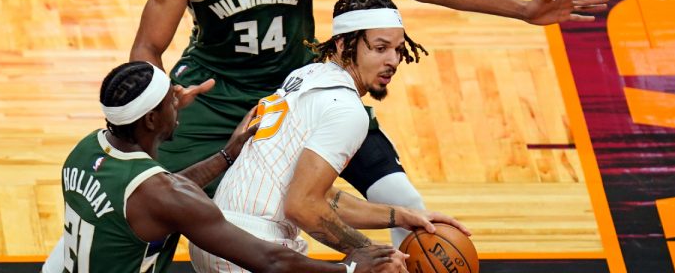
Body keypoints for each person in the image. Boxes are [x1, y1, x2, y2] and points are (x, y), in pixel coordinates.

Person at [129, 0, 611, 247]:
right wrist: (156, 96)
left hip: (300, 89)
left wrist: (522, 9)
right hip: (216, 97)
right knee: (149, 210)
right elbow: (148, 48)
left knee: (410, 210)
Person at [189, 0, 470, 273]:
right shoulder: (347, 109)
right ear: (344, 43)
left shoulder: (306, 75)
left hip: (217, 235)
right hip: (258, 246)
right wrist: (369, 253)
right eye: (380, 48)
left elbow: (317, 195)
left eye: (398, 49)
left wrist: (400, 215)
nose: (393, 61)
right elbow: (302, 205)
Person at [42, 61, 407, 273]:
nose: (180, 98)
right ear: (151, 121)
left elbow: (154, 194)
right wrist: (350, 268)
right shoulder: (164, 196)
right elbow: (270, 260)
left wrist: (228, 154)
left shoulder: (88, 148)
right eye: (172, 97)